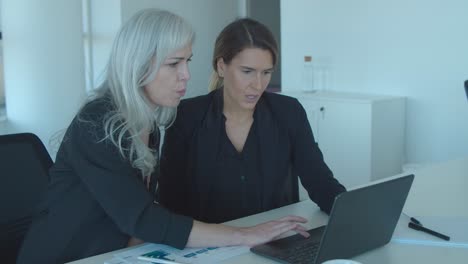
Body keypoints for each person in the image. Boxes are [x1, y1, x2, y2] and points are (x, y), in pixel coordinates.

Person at [17, 10, 310, 264]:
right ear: (139, 63)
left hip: (112, 254)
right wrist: (243, 235)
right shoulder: (97, 121)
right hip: (68, 256)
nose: (185, 75)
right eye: (174, 64)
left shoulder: (150, 125)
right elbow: (142, 217)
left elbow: (140, 220)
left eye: (187, 61)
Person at [158, 18, 346, 224]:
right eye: (247, 72)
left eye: (266, 73)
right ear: (221, 67)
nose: (258, 85)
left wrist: (354, 213)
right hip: (209, 246)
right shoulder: (186, 116)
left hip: (275, 243)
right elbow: (170, 203)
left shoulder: (289, 112)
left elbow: (320, 182)